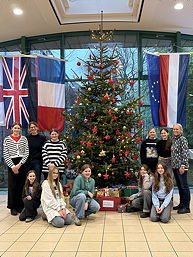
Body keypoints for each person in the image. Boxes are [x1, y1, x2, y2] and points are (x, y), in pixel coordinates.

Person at [3, 122, 29, 216]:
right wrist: (13, 166)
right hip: (12, 164)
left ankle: (20, 206)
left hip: (21, 164)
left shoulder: (24, 139)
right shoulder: (7, 140)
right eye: (15, 128)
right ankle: (12, 207)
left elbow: (26, 153)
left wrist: (19, 164)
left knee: (21, 185)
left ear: (20, 129)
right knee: (12, 185)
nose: (17, 130)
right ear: (12, 129)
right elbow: (6, 154)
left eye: (18, 128)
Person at [171, 123, 190, 214]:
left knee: (184, 187)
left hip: (181, 167)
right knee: (179, 187)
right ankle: (181, 204)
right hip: (175, 167)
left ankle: (186, 207)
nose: (175, 131)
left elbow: (185, 153)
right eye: (174, 129)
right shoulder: (174, 139)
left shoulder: (183, 139)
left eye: (177, 129)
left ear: (181, 130)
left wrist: (183, 166)